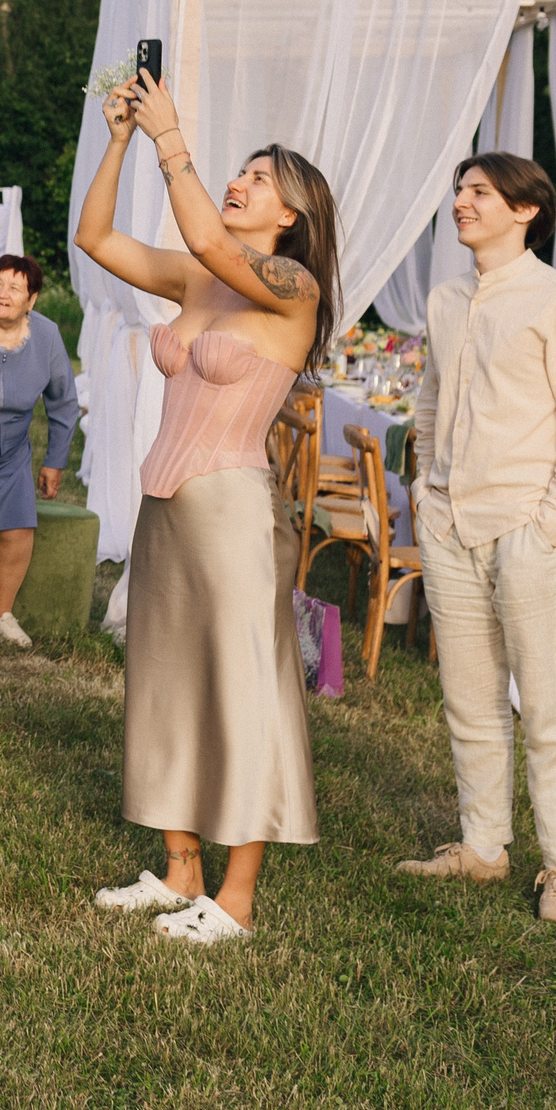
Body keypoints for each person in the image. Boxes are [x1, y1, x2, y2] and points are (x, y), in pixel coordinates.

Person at [76, 74, 338, 944]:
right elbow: (95, 238)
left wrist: (171, 140)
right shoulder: (199, 274)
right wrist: (120, 138)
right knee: (165, 679)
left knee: (245, 686)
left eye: (260, 180)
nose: (241, 183)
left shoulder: (290, 287)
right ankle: (178, 863)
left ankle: (236, 898)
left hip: (231, 509)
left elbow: (208, 238)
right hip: (166, 504)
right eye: (243, 171)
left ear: (291, 216)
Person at [395, 152, 556, 924]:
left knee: (546, 707)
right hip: (451, 523)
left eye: (479, 192)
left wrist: (546, 528)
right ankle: (484, 847)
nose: (461, 201)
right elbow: (429, 402)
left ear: (525, 210)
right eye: (458, 189)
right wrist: (428, 490)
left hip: (529, 529)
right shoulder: (446, 298)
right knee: (469, 697)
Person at [0, 252, 79, 650]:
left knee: (18, 528)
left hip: (10, 459)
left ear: (32, 299)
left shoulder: (46, 335)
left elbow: (63, 404)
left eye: (15, 287)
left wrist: (55, 462)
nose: (3, 294)